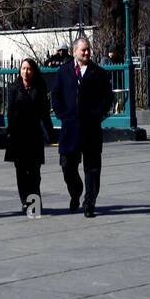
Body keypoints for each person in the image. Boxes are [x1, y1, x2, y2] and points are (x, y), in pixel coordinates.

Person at [51, 35, 113, 218]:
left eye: (88, 50)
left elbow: (107, 98)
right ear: (74, 51)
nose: (86, 52)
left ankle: (89, 203)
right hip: (70, 128)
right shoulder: (64, 72)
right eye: (83, 50)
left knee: (92, 168)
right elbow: (56, 96)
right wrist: (63, 115)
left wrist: (97, 115)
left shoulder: (99, 73)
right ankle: (75, 191)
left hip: (91, 128)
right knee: (67, 165)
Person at [5, 59, 53, 212]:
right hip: (18, 134)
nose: (26, 72)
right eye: (23, 68)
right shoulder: (14, 88)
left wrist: (50, 131)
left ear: (34, 71)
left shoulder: (39, 87)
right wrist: (9, 131)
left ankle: (34, 202)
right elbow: (10, 111)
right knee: (20, 170)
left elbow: (45, 112)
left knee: (34, 171)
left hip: (34, 134)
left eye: (29, 69)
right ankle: (26, 199)